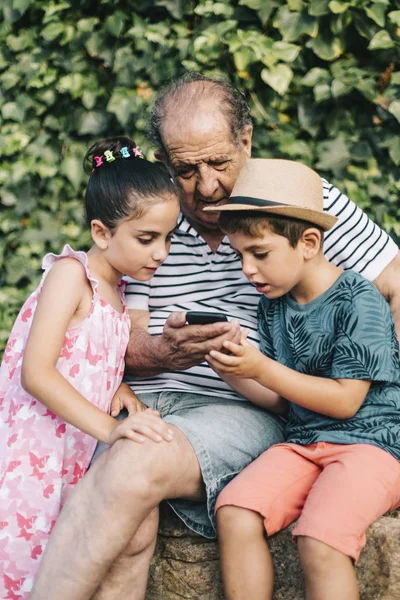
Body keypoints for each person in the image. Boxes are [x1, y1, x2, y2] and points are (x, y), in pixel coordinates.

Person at [29, 73, 400, 600]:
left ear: (246, 140)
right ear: (163, 160)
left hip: (245, 409)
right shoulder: (147, 210)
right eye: (185, 169)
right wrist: (155, 352)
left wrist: (384, 421)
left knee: (130, 463)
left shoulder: (294, 202)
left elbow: (396, 284)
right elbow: (104, 319)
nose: (205, 187)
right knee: (132, 529)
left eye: (220, 164)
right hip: (148, 397)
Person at [206, 158, 400, 600]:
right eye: (240, 255)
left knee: (321, 536)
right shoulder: (274, 304)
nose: (247, 270)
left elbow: (346, 402)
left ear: (308, 242)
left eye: (260, 254)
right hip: (305, 443)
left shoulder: (358, 299)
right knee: (235, 510)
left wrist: (262, 367)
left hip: (371, 447)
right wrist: (235, 371)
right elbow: (281, 400)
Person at [0, 136, 180, 599]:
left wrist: (116, 384)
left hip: (71, 456)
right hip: (31, 455)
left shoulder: (115, 295)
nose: (160, 252)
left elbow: (84, 353)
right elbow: (36, 372)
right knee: (22, 564)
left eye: (167, 237)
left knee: (64, 563)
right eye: (147, 238)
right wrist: (110, 429)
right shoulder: (70, 275)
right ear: (102, 233)